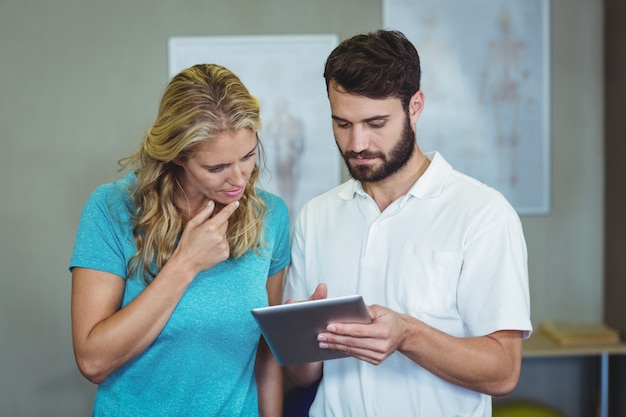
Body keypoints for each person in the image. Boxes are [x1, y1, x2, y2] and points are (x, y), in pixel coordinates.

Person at [282, 30, 532, 416]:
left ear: (415, 107)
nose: (358, 143)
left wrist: (407, 334)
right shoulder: (316, 217)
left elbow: (503, 372)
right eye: (342, 124)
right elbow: (303, 376)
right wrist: (305, 339)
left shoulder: (482, 213)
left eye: (376, 123)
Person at [69, 63, 290, 417]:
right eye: (216, 168)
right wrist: (186, 263)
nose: (240, 179)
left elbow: (267, 356)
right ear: (177, 155)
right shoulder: (111, 209)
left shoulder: (272, 216)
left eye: (248, 156)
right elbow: (93, 361)